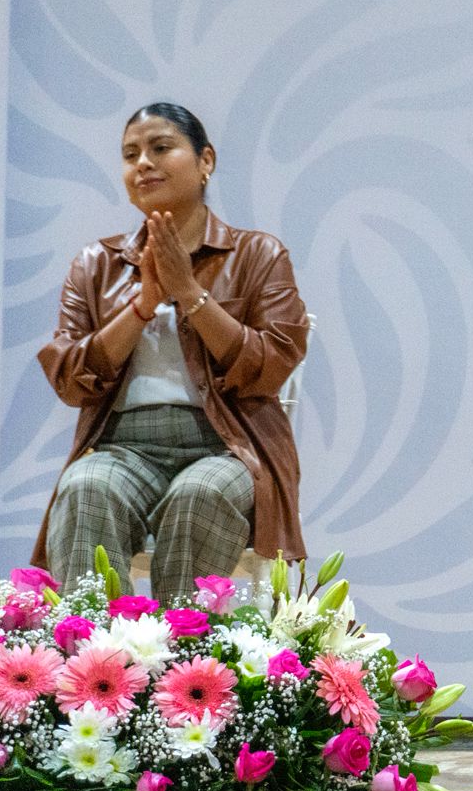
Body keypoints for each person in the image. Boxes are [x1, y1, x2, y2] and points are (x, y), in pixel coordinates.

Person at [32, 102, 311, 603]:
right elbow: (70, 380)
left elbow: (272, 366)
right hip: (123, 447)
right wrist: (142, 306)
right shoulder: (95, 264)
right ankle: (95, 649)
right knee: (84, 487)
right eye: (130, 154)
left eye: (161, 148)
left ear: (206, 161)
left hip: (228, 445)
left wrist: (189, 293)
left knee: (199, 495)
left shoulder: (258, 255)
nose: (143, 163)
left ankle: (183, 650)